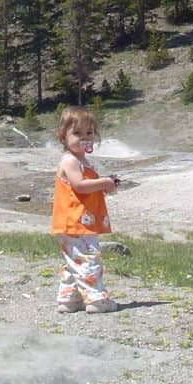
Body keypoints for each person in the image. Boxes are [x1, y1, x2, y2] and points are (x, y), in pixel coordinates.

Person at [49, 105, 120, 314]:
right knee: (89, 258)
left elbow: (86, 189)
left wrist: (106, 186)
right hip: (76, 221)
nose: (84, 138)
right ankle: (97, 299)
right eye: (77, 133)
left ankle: (69, 299)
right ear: (63, 137)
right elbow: (79, 186)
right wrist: (103, 182)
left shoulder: (83, 161)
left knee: (74, 260)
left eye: (88, 132)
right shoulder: (70, 160)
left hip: (79, 220)